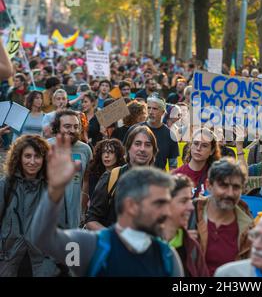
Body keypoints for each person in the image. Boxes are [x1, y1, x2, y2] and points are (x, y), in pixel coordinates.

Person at [30, 142, 184, 277]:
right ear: (131, 206)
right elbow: (43, 239)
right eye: (158, 204)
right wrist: (55, 190)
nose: (167, 212)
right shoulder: (91, 247)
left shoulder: (168, 256)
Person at [0, 136, 62, 276]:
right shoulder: (5, 186)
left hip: (42, 262)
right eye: (27, 156)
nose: (32, 161)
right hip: (9, 260)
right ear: (19, 158)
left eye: (37, 156)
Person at [189, 158, 254, 276]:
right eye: (223, 185)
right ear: (209, 185)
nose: (230, 193)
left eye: (236, 187)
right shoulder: (189, 215)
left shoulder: (249, 227)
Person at [85, 125, 158, 230]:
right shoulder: (112, 177)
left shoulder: (160, 183)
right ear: (128, 148)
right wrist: (116, 239)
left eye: (148, 145)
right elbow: (91, 220)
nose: (142, 149)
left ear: (153, 151)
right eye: (137, 144)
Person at [47, 110, 92, 228]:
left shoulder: (86, 150)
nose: (72, 130)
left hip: (73, 218)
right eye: (67, 126)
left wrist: (82, 208)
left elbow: (86, 180)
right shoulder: (45, 147)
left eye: (76, 127)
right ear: (57, 127)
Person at [163, 174, 210, 277]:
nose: (191, 207)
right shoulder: (144, 244)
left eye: (190, 200)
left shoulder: (192, 246)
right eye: (184, 201)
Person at [124, 95, 179, 171]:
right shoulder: (134, 129)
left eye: (155, 109)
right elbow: (125, 156)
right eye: (149, 108)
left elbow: (173, 165)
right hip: (133, 177)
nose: (150, 112)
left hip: (157, 180)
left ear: (163, 112)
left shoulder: (170, 135)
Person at [173, 128, 221, 194]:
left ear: (212, 151)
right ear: (190, 146)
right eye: (195, 143)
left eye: (204, 146)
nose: (198, 148)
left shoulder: (216, 176)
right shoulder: (177, 174)